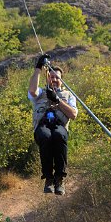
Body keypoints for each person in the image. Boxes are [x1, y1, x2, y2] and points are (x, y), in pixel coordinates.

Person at [28, 53, 78, 194]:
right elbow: (32, 90)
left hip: (59, 126)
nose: (54, 79)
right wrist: (38, 67)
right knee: (46, 136)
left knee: (58, 136)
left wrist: (57, 100)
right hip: (42, 126)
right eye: (52, 77)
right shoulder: (40, 93)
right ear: (47, 78)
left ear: (62, 81)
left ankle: (59, 179)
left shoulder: (69, 95)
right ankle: (48, 178)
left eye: (57, 77)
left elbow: (73, 114)